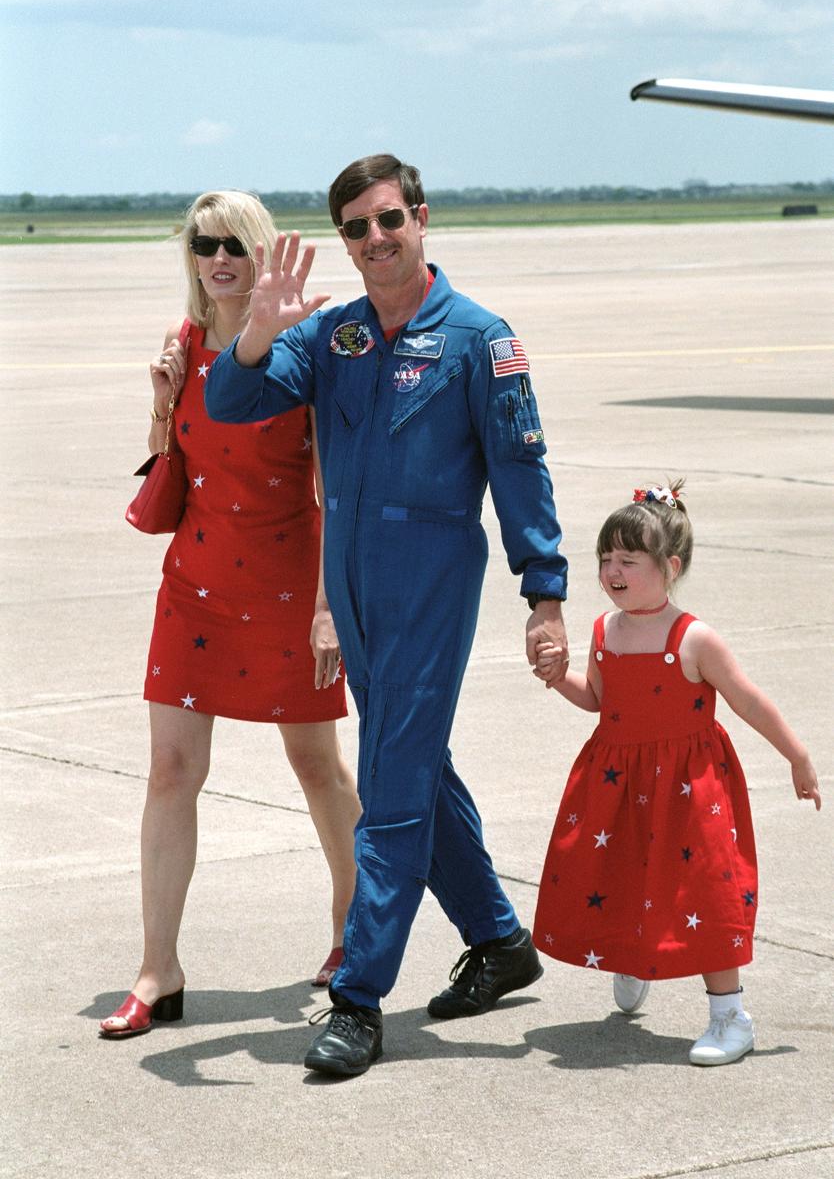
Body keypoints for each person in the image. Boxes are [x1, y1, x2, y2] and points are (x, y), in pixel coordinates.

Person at [204, 154, 569, 1076]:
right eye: (357, 228)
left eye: (389, 220)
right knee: (414, 763)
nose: (376, 239)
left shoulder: (479, 340)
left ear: (422, 218)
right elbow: (232, 399)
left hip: (432, 576)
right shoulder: (335, 337)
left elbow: (523, 473)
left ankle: (359, 999)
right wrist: (256, 330)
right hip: (355, 582)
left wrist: (545, 595)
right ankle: (498, 939)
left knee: (392, 790)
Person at [100, 190, 362, 1038]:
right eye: (204, 244)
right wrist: (159, 396)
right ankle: (157, 969)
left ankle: (350, 933)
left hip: (291, 585)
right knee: (170, 771)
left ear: (260, 255)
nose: (219, 259)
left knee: (316, 768)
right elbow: (169, 471)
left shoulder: (304, 349)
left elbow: (335, 487)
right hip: (196, 585)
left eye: (235, 246)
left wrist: (330, 609)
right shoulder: (182, 343)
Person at [532, 482, 821, 1066]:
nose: (612, 571)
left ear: (670, 567)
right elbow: (598, 699)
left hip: (690, 789)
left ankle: (729, 1015)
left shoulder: (692, 638)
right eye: (605, 559)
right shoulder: (603, 631)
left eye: (627, 561)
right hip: (616, 781)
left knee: (707, 893)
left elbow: (748, 700)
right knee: (618, 872)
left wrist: (797, 756)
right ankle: (633, 954)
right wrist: (557, 676)